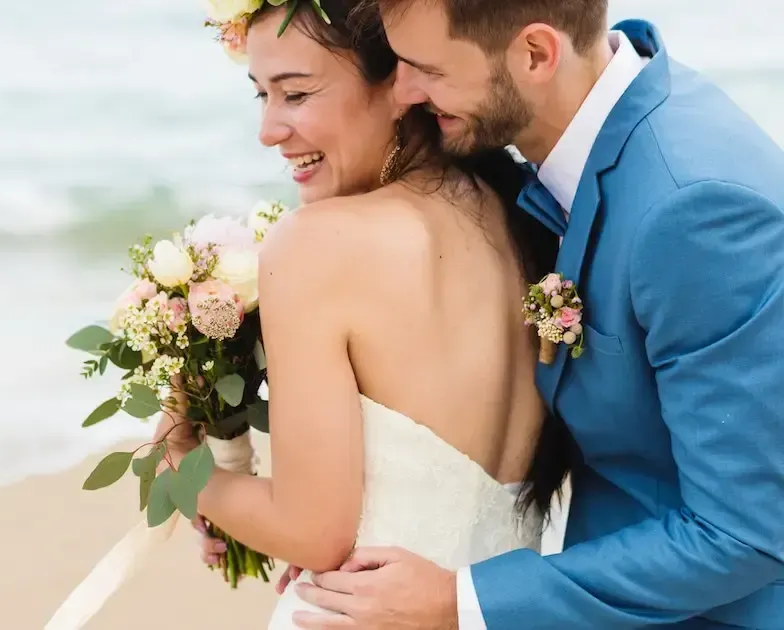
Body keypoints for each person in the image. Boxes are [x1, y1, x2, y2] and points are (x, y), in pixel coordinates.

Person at [287, 1, 784, 629]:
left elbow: (746, 534)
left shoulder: (694, 211)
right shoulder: (584, 137)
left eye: (428, 70)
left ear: (536, 54)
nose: (404, 91)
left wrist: (459, 602)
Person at [158, 0, 572, 627]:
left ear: (400, 85)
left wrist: (173, 467)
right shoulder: (522, 215)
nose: (269, 129)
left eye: (295, 95)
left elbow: (310, 532)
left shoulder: (316, 245)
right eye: (260, 95)